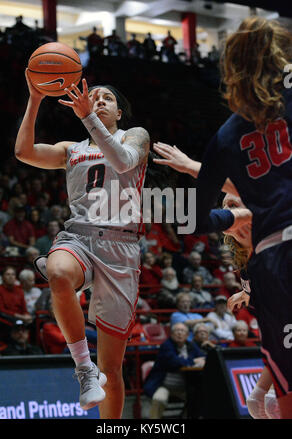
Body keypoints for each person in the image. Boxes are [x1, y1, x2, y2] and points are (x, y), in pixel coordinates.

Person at [154, 17, 292, 417]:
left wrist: (228, 215)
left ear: (230, 71)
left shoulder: (226, 137)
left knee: (282, 397)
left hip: (276, 261)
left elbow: (192, 221)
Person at [15, 71, 150, 419]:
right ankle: (83, 369)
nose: (100, 100)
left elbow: (121, 161)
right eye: (96, 96)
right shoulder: (70, 149)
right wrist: (35, 99)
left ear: (119, 113)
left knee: (114, 369)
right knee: (57, 273)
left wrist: (88, 116)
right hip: (80, 236)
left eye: (108, 98)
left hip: (121, 248)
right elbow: (23, 151)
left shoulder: (135, 136)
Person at [143, 322, 205, 419]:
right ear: (171, 334)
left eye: (182, 331)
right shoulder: (166, 346)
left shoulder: (191, 346)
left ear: (187, 335)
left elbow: (203, 357)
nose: (179, 333)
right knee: (159, 399)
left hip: (184, 386)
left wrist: (201, 360)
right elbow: (174, 362)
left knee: (199, 397)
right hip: (164, 385)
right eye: (177, 331)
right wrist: (193, 361)